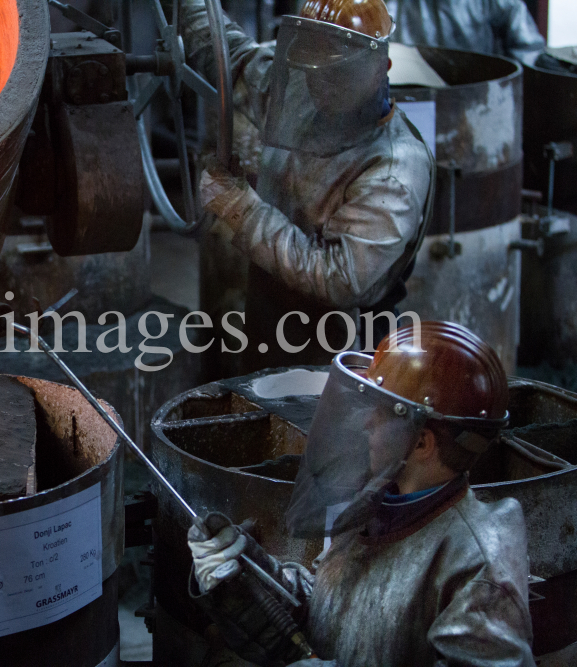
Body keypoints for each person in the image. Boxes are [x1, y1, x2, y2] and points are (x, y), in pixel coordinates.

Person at [188, 321, 535, 666]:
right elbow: (328, 614)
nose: (366, 422)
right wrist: (247, 574)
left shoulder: (478, 566)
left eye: (381, 413)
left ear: (421, 442)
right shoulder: (376, 507)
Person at [183, 0, 434, 374]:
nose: (321, 87)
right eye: (314, 71)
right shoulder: (303, 103)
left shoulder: (396, 166)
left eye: (336, 73)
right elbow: (228, 56)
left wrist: (240, 207)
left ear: (382, 67)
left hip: (347, 360)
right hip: (274, 330)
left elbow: (339, 278)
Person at [385, 0, 545, 67]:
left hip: (479, 95)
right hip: (410, 98)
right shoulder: (389, 5)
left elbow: (528, 48)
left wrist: (503, 88)